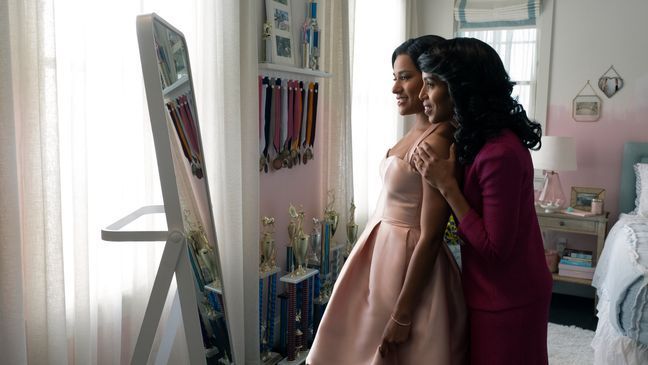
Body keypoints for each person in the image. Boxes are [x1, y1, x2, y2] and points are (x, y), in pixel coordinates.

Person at [307, 35, 468, 365]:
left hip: (406, 266)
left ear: (430, 77)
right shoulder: (414, 133)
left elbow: (432, 234)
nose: (396, 88)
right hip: (380, 259)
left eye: (405, 77)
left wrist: (403, 313)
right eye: (394, 78)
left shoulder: (437, 142)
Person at [412, 37, 553, 365]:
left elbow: (495, 249)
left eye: (430, 84)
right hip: (492, 292)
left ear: (460, 89)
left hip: (509, 299)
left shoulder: (499, 153)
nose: (421, 95)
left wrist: (448, 187)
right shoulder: (478, 142)